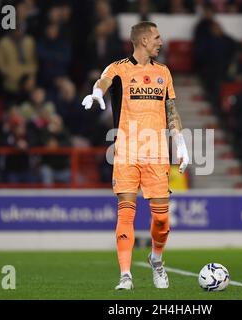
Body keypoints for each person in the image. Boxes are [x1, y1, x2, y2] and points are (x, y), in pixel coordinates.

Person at [81, 21, 189, 290]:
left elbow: (171, 110)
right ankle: (125, 275)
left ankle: (157, 259)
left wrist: (181, 144)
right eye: (157, 37)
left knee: (162, 220)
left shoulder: (164, 72)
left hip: (157, 154)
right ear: (142, 41)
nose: (160, 42)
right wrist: (96, 94)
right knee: (126, 214)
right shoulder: (118, 68)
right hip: (126, 152)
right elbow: (103, 81)